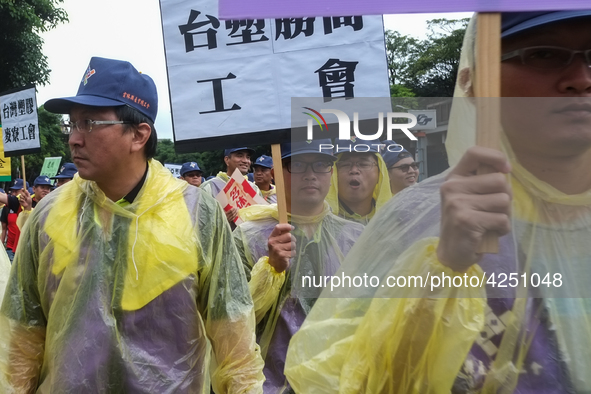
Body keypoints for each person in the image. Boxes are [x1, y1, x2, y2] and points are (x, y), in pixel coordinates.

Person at [286, 11, 591, 393]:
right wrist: (442, 269)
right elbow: (347, 379)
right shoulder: (413, 220)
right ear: (472, 81)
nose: (580, 79)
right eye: (543, 55)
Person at [0, 56, 264, 393]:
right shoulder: (48, 216)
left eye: (89, 124)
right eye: (72, 124)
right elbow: (22, 336)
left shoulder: (197, 213)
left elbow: (233, 336)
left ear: (139, 135)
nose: (74, 139)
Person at [233, 139, 364, 393]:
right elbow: (232, 318)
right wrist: (270, 271)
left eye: (320, 165)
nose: (311, 175)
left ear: (331, 173)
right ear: (275, 174)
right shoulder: (248, 237)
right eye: (298, 165)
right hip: (272, 382)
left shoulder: (355, 237)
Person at [326, 139, 392, 225]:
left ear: (380, 173)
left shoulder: (392, 222)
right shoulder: (318, 219)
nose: (354, 170)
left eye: (364, 164)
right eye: (345, 164)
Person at [201, 147, 260, 224]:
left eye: (248, 157)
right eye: (239, 156)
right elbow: (201, 220)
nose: (245, 161)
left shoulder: (253, 188)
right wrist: (221, 221)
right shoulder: (210, 186)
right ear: (227, 160)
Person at [0, 179, 28, 262]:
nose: (14, 194)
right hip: (11, 249)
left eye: (17, 191)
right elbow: (4, 229)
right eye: (13, 191)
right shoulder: (10, 206)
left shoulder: (30, 205)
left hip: (26, 250)